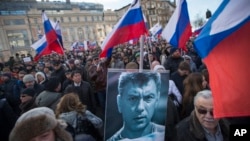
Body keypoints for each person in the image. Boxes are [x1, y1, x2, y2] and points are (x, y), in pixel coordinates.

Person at [107, 72, 165, 141]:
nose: (140, 107)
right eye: (133, 98)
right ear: (119, 102)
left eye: (148, 97)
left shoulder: (165, 135)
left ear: (157, 99)